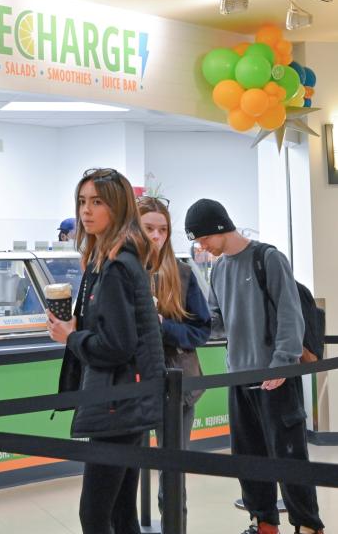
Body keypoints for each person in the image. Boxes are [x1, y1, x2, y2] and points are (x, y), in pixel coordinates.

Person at [186, 199, 324, 534]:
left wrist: (281, 366)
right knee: (248, 457)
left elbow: (290, 315)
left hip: (276, 378)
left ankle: (308, 526)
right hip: (240, 378)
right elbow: (218, 321)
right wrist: (187, 321)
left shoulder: (268, 258)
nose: (202, 247)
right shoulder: (219, 269)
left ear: (220, 227)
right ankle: (263, 523)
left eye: (203, 239)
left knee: (289, 456)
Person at [47, 168, 164, 533]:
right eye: (82, 201)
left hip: (118, 403)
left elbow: (116, 345)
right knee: (121, 512)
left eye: (97, 202)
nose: (87, 210)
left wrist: (71, 336)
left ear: (118, 207)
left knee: (96, 513)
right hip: (128, 398)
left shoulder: (115, 266)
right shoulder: (110, 260)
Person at [137, 196, 212, 532]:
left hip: (177, 386)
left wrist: (162, 326)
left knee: (173, 472)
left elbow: (201, 330)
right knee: (122, 472)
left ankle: (174, 527)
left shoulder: (182, 273)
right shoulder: (121, 270)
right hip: (129, 385)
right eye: (149, 228)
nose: (157, 236)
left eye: (163, 229)